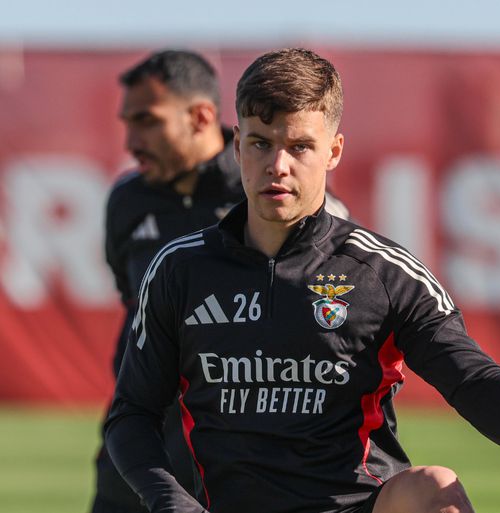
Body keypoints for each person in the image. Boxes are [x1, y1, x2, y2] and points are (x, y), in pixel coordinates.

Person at [105, 48, 500, 513]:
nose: (278, 165)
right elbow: (132, 414)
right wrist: (170, 501)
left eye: (300, 146)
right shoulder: (179, 269)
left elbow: (470, 377)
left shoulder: (382, 273)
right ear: (238, 144)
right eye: (261, 143)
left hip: (355, 506)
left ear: (333, 151)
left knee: (433, 487)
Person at [94, 49, 349, 513]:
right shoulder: (127, 200)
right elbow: (133, 302)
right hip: (138, 440)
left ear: (201, 117)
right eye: (127, 122)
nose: (131, 141)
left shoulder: (275, 195)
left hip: (232, 451)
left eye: (147, 121)